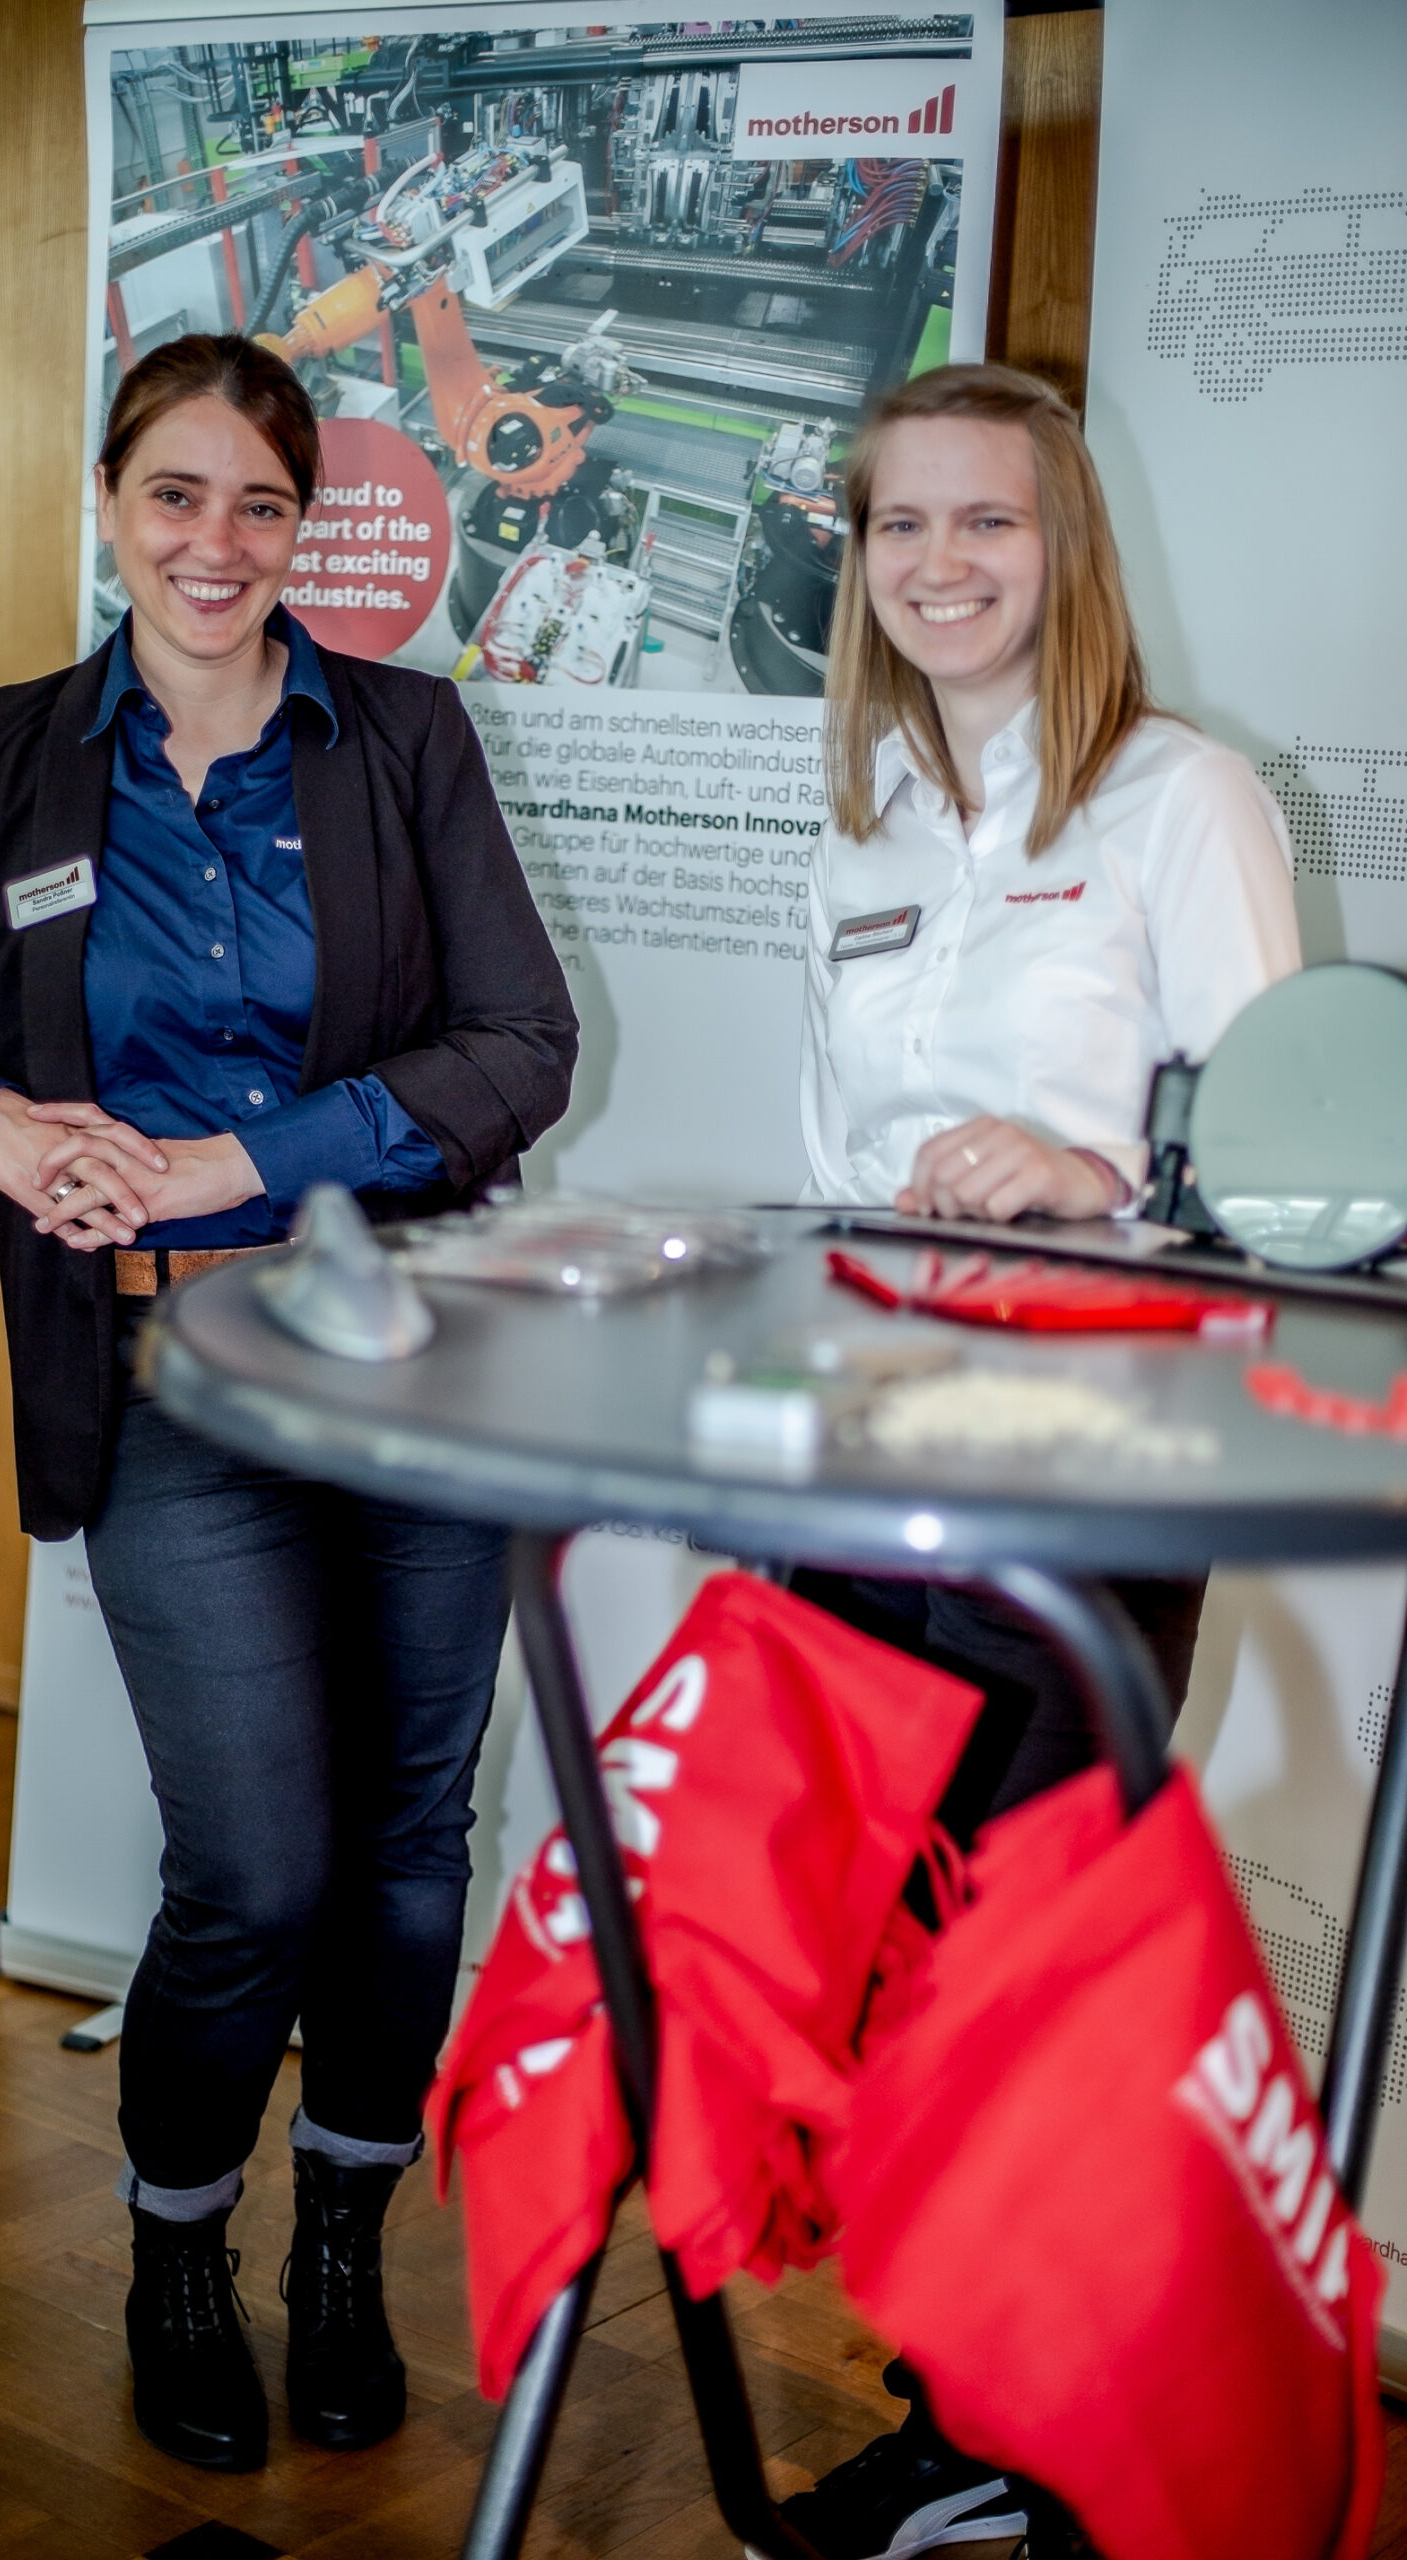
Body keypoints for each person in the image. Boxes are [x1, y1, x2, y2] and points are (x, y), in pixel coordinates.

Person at [0, 332, 577, 2478]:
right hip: (169, 1379)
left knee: (407, 1854)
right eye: (175, 496)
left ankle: (337, 2254)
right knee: (256, 1865)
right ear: (109, 504)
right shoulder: (13, 756)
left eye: (261, 506)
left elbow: (516, 1047)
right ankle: (180, 2249)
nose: (215, 545)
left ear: (309, 531)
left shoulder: (401, 738)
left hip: (415, 1366)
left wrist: (250, 1151)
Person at [785, 362, 1300, 2559]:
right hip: (871, 1450)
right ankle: (978, 2408)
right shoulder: (861, 815)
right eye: (900, 527)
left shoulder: (1180, 798)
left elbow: (1292, 1182)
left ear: (1058, 542)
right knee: (899, 1969)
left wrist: (1098, 1172)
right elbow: (832, 1167)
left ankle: (1077, 2436)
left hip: (1084, 1464)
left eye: (982, 522)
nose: (938, 566)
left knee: (1037, 1972)